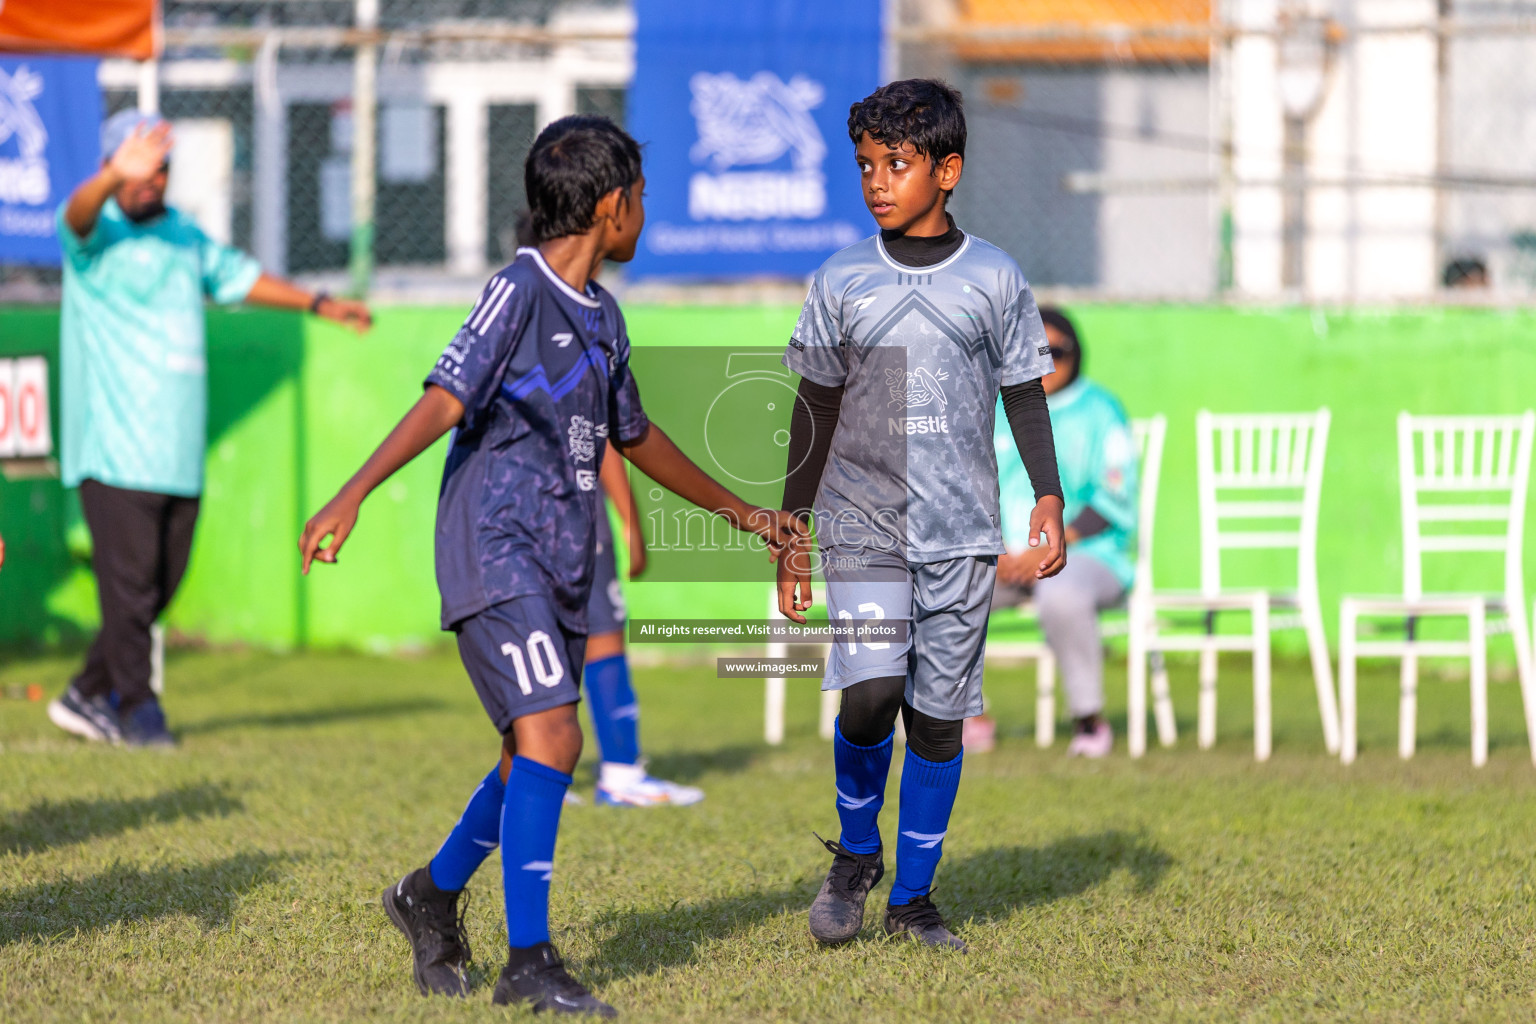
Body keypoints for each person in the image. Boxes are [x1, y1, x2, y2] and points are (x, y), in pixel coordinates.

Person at [297, 115, 802, 1016]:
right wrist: (353, 491)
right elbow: (448, 396)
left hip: (564, 558)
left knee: (524, 753)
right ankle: (529, 962)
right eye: (641, 198)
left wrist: (750, 516)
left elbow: (634, 436)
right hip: (497, 547)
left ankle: (430, 895)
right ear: (612, 207)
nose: (645, 213)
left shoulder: (604, 318)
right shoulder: (518, 289)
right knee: (558, 739)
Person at [777, 79, 1065, 952]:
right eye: (865, 165)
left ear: (947, 171)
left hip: (963, 533)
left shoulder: (995, 277)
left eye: (895, 164)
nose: (876, 181)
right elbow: (812, 406)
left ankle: (912, 901)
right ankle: (855, 853)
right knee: (869, 697)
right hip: (861, 521)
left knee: (937, 719)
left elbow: (1024, 393)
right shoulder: (840, 279)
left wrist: (1047, 494)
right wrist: (792, 534)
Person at [47, 110, 371, 749]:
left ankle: (85, 692)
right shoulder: (94, 237)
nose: (152, 180)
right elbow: (73, 215)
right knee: (133, 591)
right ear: (113, 168)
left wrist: (320, 304)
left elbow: (241, 277)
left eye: (159, 168)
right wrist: (114, 174)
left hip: (174, 449)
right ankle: (139, 710)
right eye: (138, 167)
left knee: (159, 587)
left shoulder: (185, 236)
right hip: (113, 447)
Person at [511, 211, 702, 808]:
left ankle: (573, 768)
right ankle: (588, 771)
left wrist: (628, 521)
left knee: (575, 637)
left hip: (550, 519)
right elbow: (604, 435)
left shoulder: (565, 316)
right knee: (578, 641)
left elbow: (603, 433)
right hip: (550, 518)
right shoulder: (551, 316)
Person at [982, 307, 1139, 758]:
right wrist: (998, 552)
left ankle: (1089, 721)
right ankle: (966, 717)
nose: (1043, 363)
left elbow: (1114, 501)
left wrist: (1049, 549)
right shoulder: (997, 408)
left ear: (1075, 354)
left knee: (1062, 592)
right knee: (945, 589)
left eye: (1054, 352)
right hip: (1008, 559)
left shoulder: (1101, 411)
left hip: (1090, 556)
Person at [584, 440, 705, 806]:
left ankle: (529, 777)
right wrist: (631, 521)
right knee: (602, 633)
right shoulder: (589, 380)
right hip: (571, 512)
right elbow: (602, 433)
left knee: (541, 632)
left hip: (507, 516)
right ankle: (620, 774)